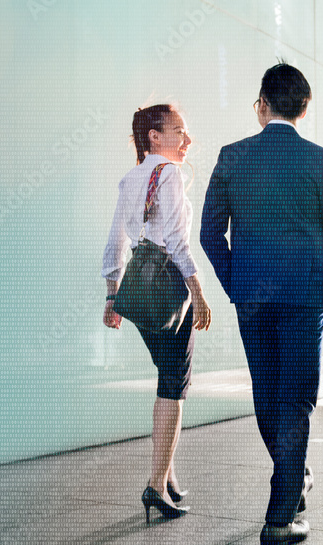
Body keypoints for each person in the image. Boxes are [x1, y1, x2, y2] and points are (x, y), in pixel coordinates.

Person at [200, 63, 323, 545]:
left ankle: (293, 479)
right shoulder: (320, 160)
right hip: (304, 293)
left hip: (252, 294)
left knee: (267, 395)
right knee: (296, 399)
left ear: (261, 106)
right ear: (305, 109)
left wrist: (237, 283)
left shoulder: (232, 157)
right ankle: (280, 513)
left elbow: (210, 234)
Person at [101, 104, 211, 521]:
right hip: (168, 286)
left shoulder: (131, 178)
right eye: (178, 131)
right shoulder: (169, 173)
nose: (186, 139)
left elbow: (116, 238)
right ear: (154, 136)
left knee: (166, 376)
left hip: (138, 287)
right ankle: (154, 485)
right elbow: (178, 242)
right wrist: (198, 290)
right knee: (174, 385)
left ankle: (166, 477)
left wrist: (112, 294)